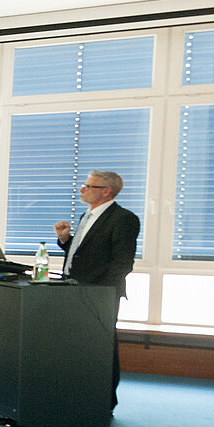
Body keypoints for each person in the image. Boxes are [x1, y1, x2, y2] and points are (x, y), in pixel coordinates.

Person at [55, 169, 141, 406]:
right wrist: (65, 240)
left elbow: (122, 263)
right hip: (73, 290)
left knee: (102, 348)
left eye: (89, 186)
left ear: (106, 191)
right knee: (78, 347)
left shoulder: (123, 219)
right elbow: (85, 255)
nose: (82, 190)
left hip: (99, 295)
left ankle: (104, 402)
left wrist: (99, 292)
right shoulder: (87, 216)